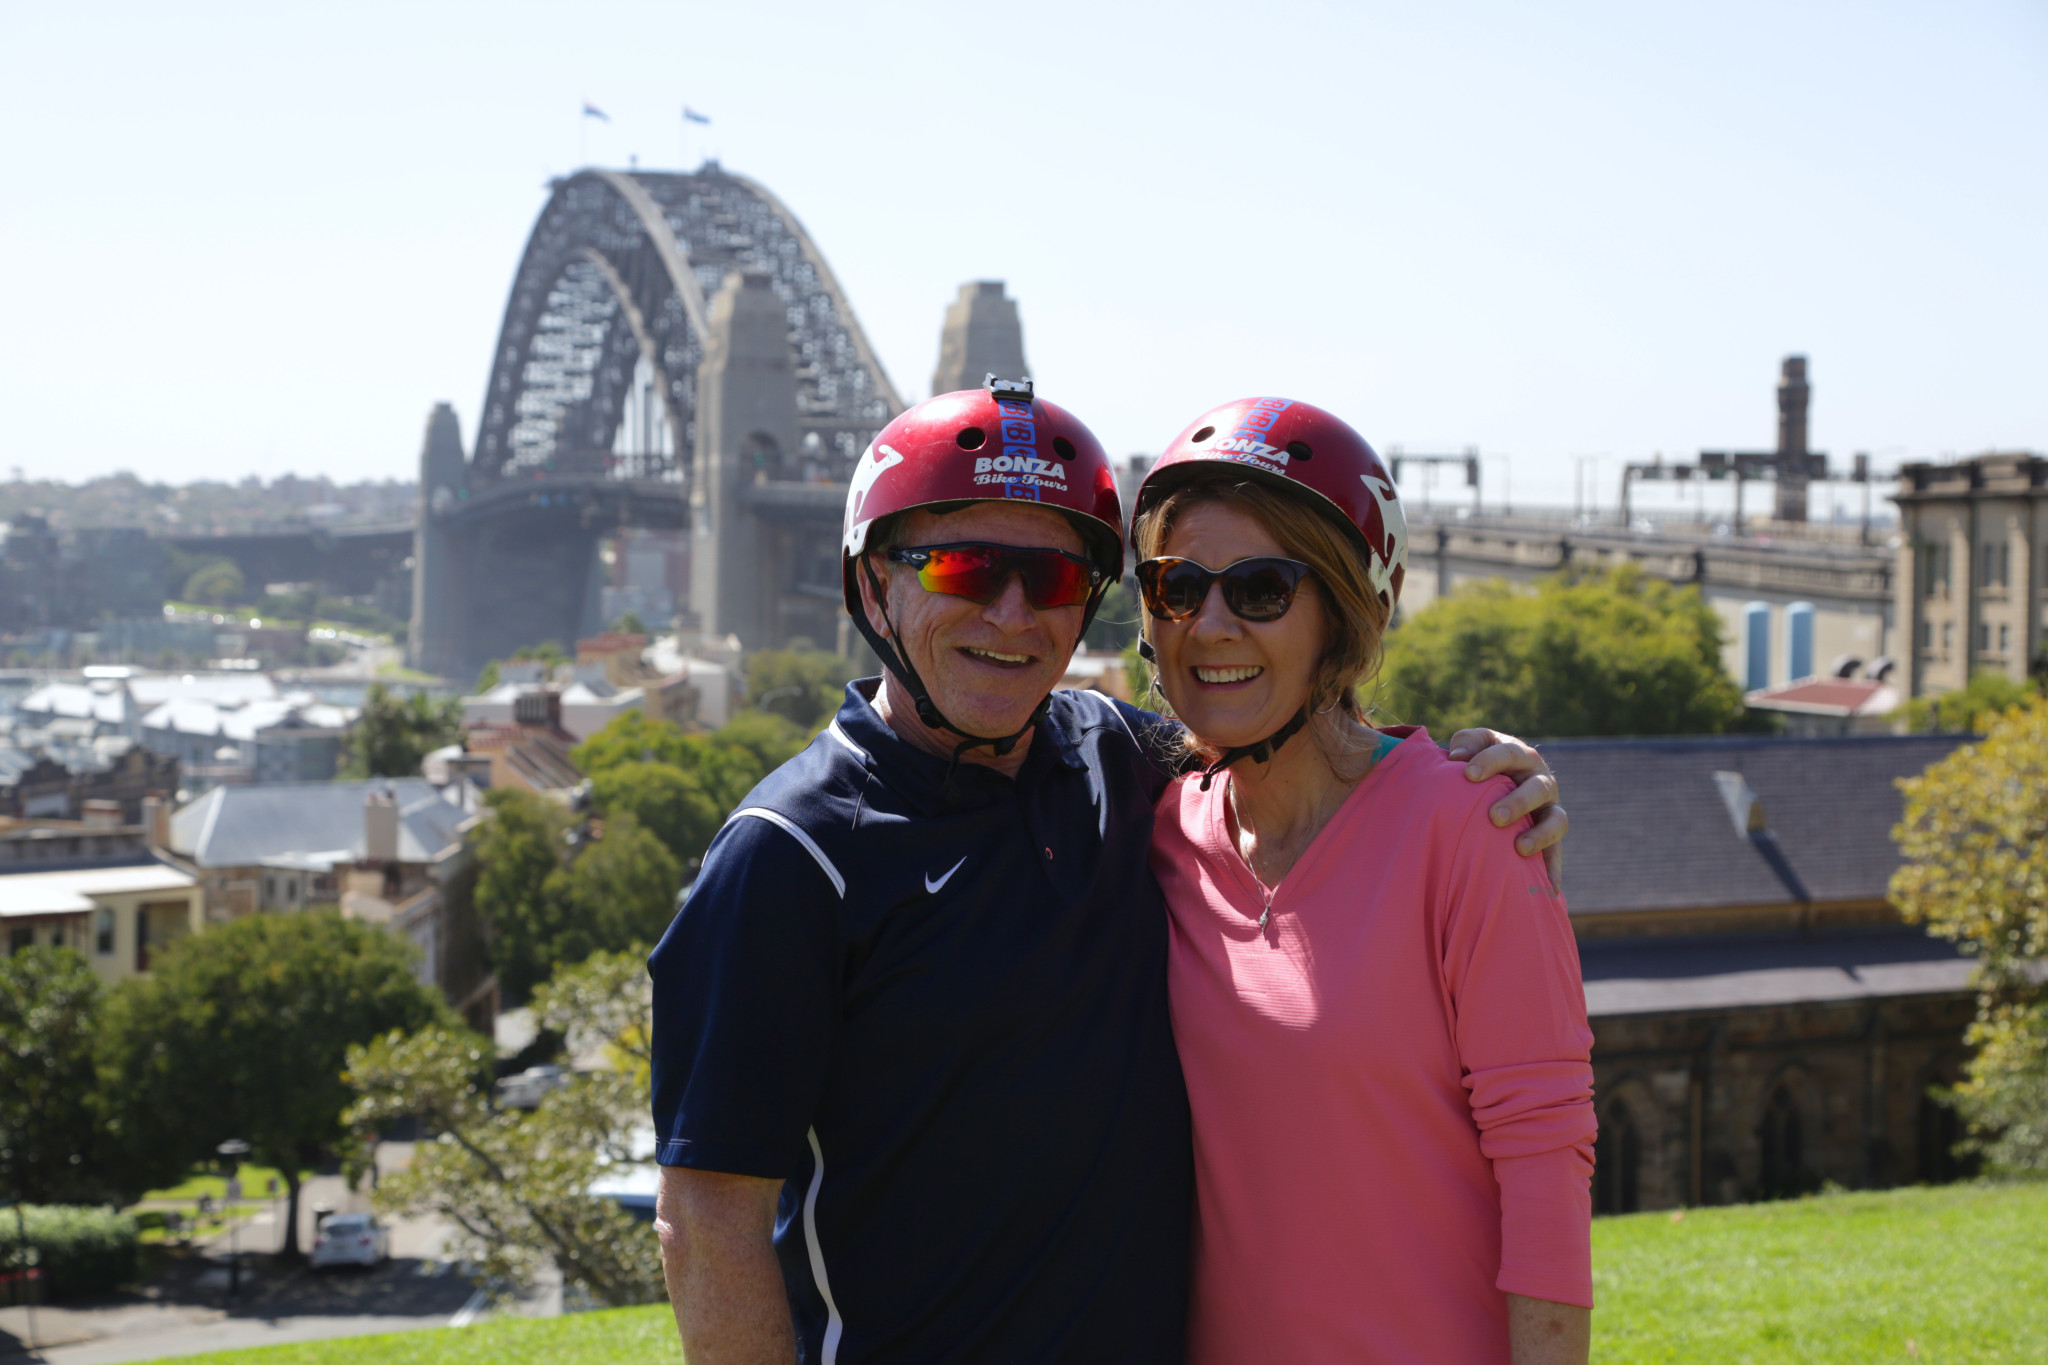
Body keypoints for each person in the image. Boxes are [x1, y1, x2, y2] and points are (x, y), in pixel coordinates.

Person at [647, 377, 1569, 1364]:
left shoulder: (1121, 762)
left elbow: (1286, 742)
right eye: (963, 568)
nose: (1011, 616)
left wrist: (1469, 780)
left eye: (1049, 581)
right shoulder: (788, 856)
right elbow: (706, 1223)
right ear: (873, 583)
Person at [1133, 397, 1596, 1365]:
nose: (1209, 623)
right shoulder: (1157, 836)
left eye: (1259, 589)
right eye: (1176, 586)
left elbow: (1544, 1166)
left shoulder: (1469, 824)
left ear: (1344, 619)